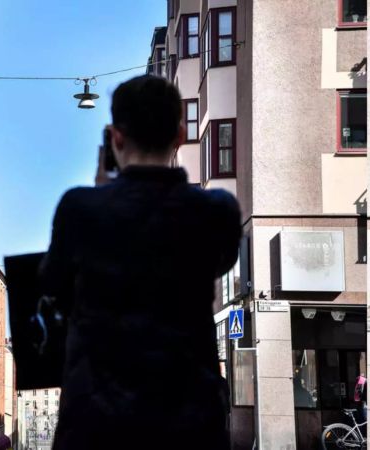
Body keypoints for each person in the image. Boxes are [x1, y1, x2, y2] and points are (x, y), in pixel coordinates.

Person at [40, 75, 241, 450]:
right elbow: (220, 262)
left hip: (97, 421)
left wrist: (103, 196)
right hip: (187, 419)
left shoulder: (79, 209)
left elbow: (53, 284)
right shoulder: (217, 212)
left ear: (115, 138)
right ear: (180, 134)